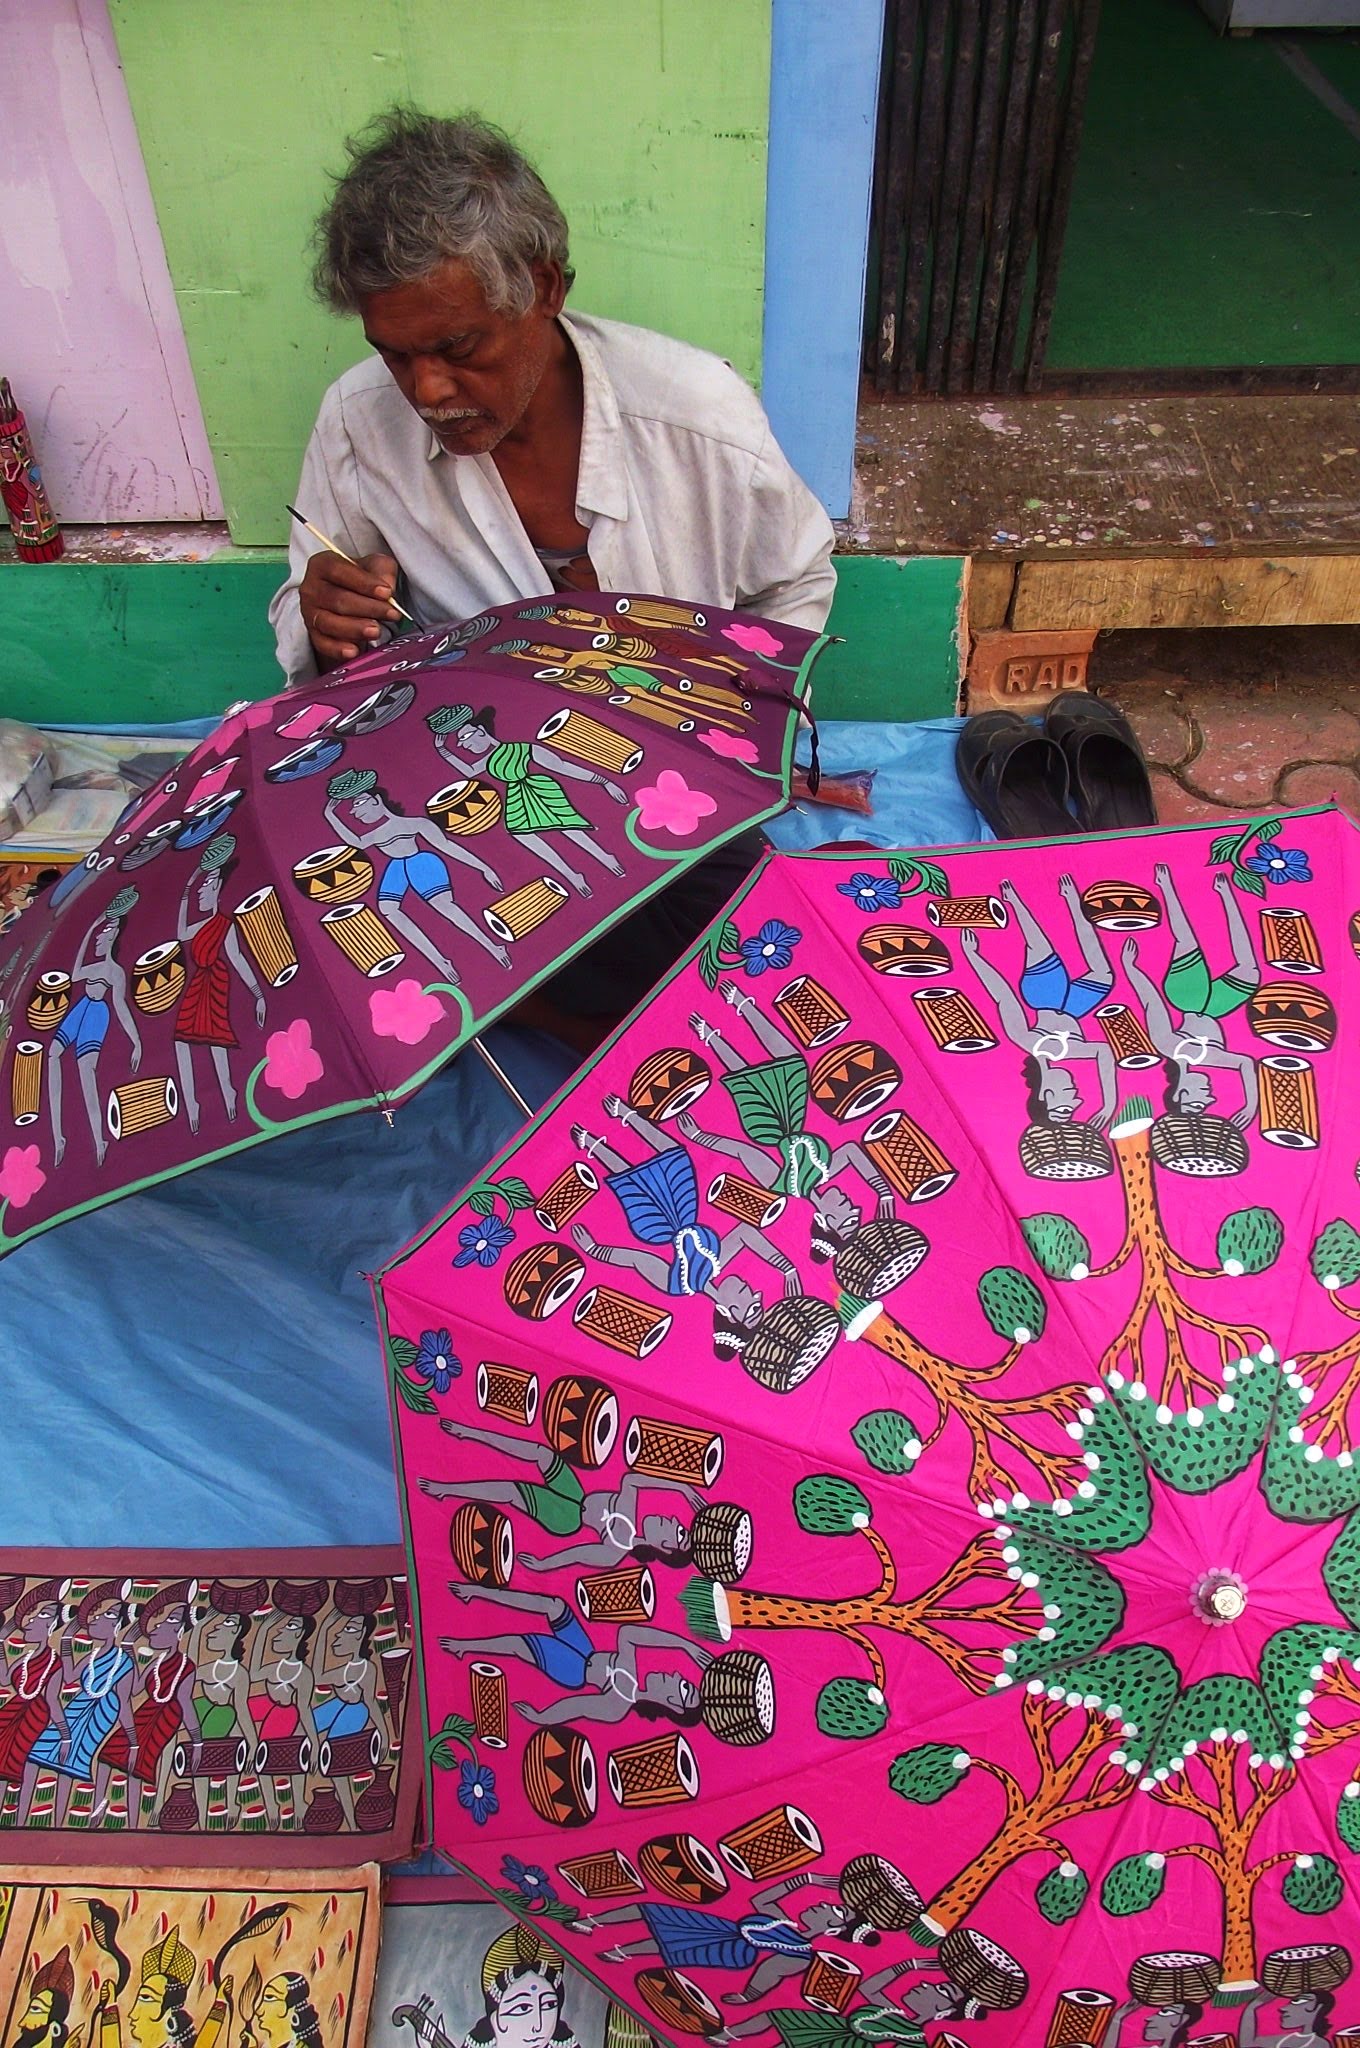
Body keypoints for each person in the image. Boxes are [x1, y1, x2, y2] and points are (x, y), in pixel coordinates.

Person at [272, 108, 835, 1040]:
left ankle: (563, 1017)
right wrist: (323, 618)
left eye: (457, 349)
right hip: (470, 785)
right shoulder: (356, 425)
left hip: (668, 769)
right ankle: (557, 1016)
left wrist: (733, 721)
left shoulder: (696, 415)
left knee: (738, 951)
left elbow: (793, 584)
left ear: (542, 289)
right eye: (394, 354)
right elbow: (315, 620)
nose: (426, 393)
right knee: (355, 919)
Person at [442, 1582, 712, 1730]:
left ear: (673, 1706)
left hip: (572, 1670)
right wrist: (684, 1645)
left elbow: (577, 1707)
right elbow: (628, 1632)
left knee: (518, 1644)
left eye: (684, 1688)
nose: (677, 1676)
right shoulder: (630, 1664)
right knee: (552, 1605)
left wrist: (541, 1717)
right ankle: (478, 1591)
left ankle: (463, 1646)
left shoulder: (618, 1707)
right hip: (585, 1647)